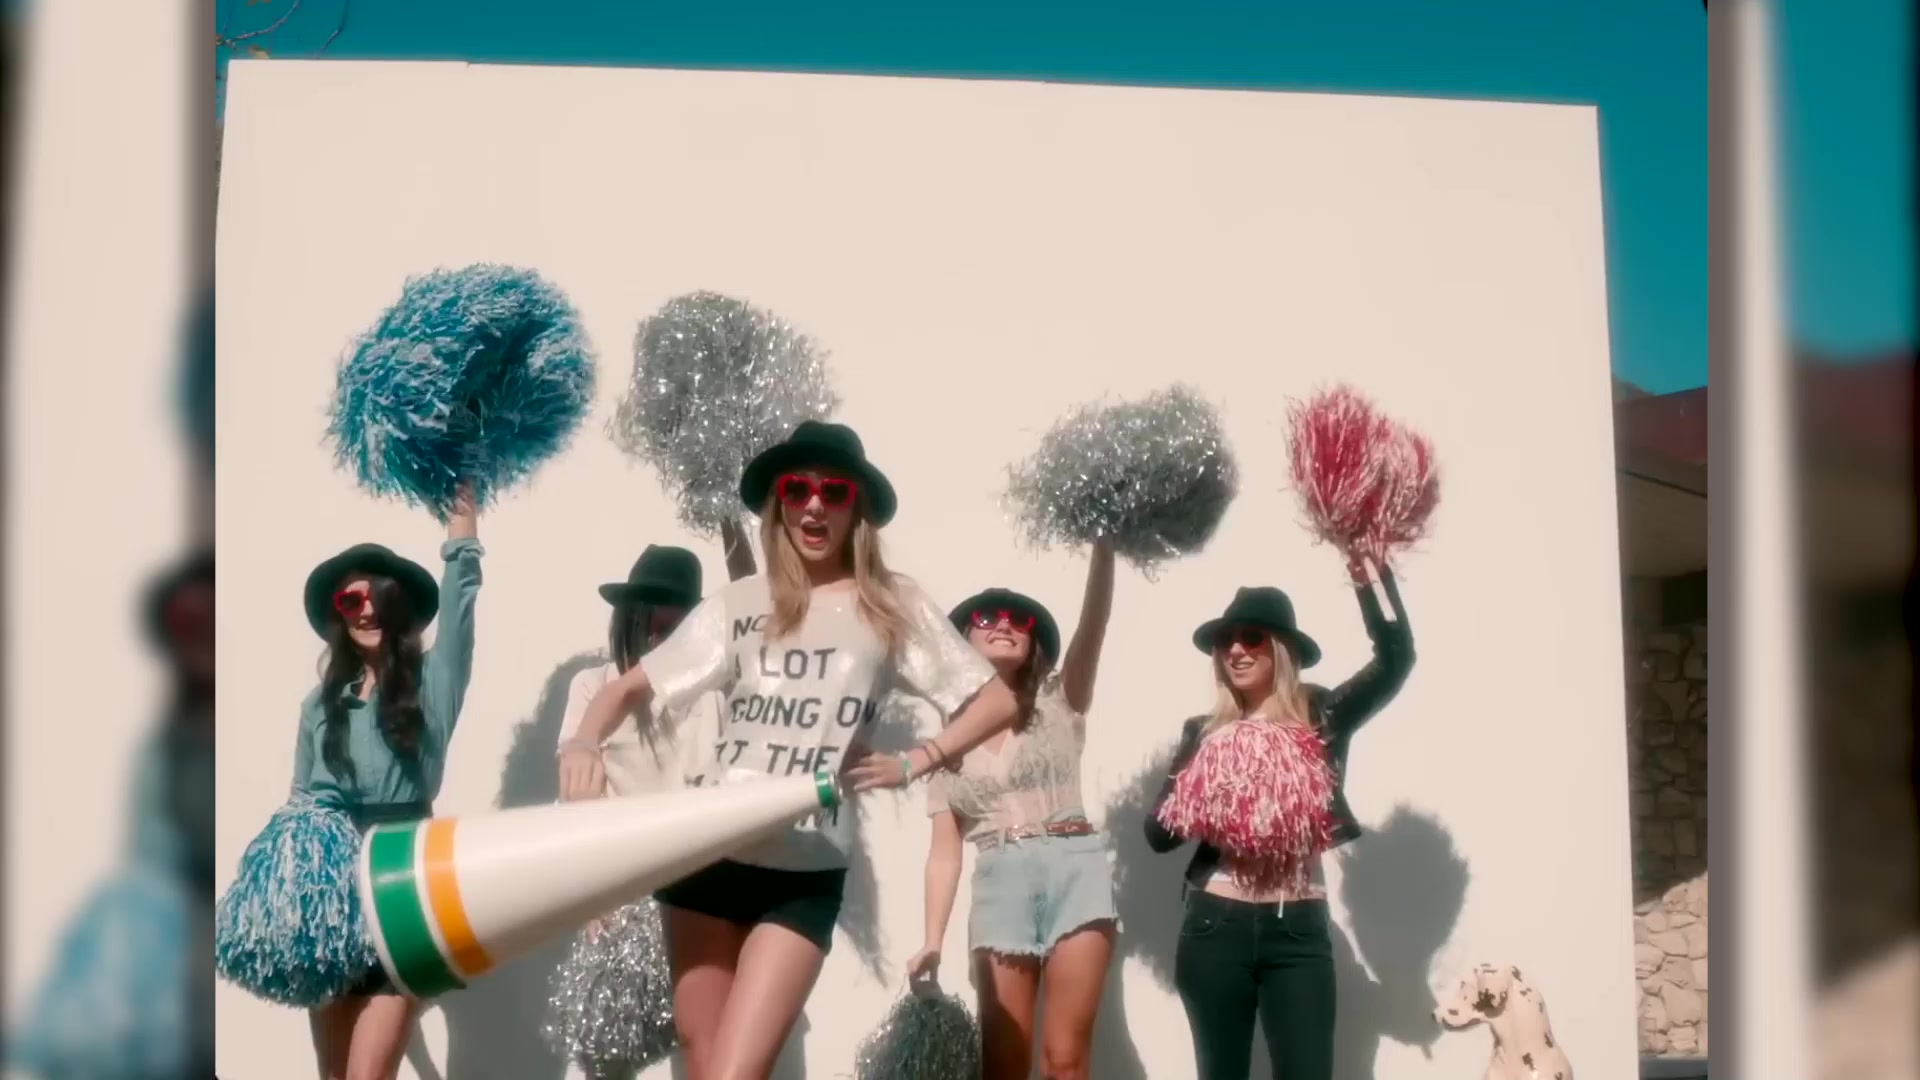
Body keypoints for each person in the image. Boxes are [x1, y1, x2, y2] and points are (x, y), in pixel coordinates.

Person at [558, 421, 1022, 1080]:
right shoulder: (738, 603)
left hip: (804, 869)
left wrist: (917, 760)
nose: (813, 505)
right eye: (797, 489)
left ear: (856, 507)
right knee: (704, 1064)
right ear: (778, 503)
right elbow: (627, 688)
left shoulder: (890, 605)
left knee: (735, 1073)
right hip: (706, 855)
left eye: (834, 491)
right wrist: (582, 742)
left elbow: (997, 701)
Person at [1144, 559, 1415, 1080]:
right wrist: (1206, 787)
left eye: (1252, 638)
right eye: (1226, 641)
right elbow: (1158, 836)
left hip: (1298, 931)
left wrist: (1368, 570)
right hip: (1214, 925)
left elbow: (1396, 658)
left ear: (1283, 650)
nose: (1236, 650)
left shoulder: (1322, 716)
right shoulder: (1203, 733)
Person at [545, 527, 756, 1077]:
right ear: (629, 619)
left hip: (701, 892)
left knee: (706, 1047)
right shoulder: (594, 686)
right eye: (652, 624)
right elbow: (578, 791)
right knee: (607, 1054)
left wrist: (733, 525)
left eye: (676, 627)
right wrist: (593, 896)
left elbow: (760, 615)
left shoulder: (715, 686)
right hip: (620, 893)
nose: (661, 639)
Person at [905, 542, 1117, 1080]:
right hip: (1000, 881)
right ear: (963, 639)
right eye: (987, 618)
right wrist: (932, 940)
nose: (1004, 624)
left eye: (1019, 620)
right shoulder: (946, 742)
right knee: (1003, 1064)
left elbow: (1094, 626)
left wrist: (1105, 546)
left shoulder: (1060, 700)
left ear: (1034, 642)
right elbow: (944, 853)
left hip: (1075, 869)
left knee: (1065, 1060)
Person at [297, 486, 483, 1080]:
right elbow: (298, 806)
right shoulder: (318, 706)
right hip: (330, 896)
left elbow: (461, 595)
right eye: (351, 599)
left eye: (379, 594)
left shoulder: (435, 683)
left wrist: (462, 516)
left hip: (404, 889)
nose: (367, 609)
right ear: (339, 613)